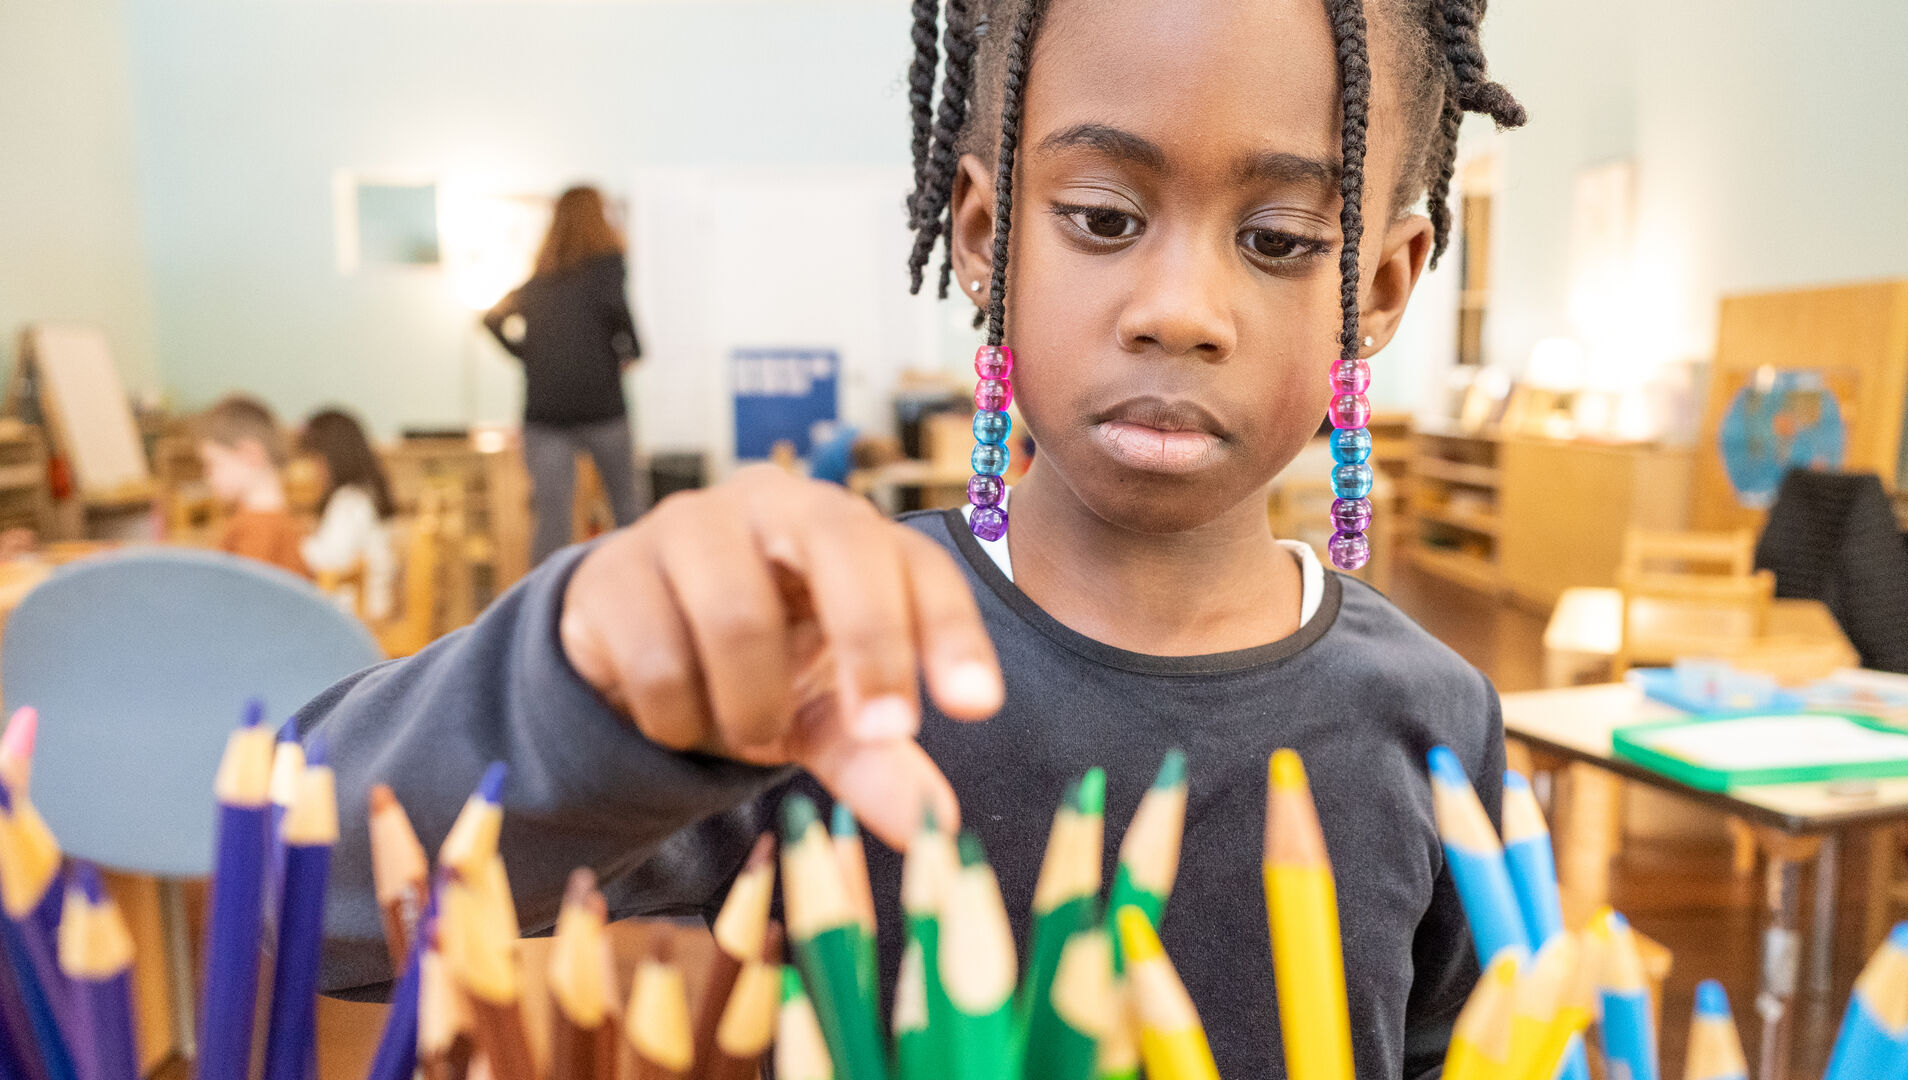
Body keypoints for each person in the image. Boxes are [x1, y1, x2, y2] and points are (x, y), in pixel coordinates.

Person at [306, 2, 1526, 1075]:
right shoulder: (829, 656)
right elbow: (312, 901)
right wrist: (588, 683)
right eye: (1103, 218)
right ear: (986, 235)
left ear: (1378, 286)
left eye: (1278, 241)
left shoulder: (1436, 716)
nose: (1178, 312)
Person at [484, 185, 644, 564]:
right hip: (601, 406)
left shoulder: (540, 282)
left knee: (551, 517)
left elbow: (492, 319)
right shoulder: (607, 266)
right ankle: (642, 587)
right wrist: (632, 350)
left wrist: (526, 354)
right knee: (626, 504)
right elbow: (619, 314)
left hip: (546, 413)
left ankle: (541, 608)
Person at [298, 408, 397, 621]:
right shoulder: (364, 493)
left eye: (315, 459)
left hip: (358, 614)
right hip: (371, 605)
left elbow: (329, 562)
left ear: (331, 457)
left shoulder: (349, 502)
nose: (313, 470)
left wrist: (293, 540)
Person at [197, 395, 307, 578]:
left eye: (213, 463)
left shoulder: (257, 529)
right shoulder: (283, 520)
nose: (207, 474)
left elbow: (241, 599)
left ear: (251, 455)